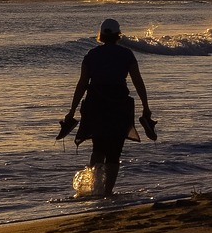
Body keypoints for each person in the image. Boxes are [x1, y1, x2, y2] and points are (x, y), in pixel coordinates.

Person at [59, 18, 155, 197]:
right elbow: (137, 81)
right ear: (119, 35)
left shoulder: (91, 55)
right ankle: (107, 192)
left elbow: (82, 84)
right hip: (119, 107)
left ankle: (95, 189)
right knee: (114, 151)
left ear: (101, 36)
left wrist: (71, 111)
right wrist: (146, 107)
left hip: (96, 107)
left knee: (98, 147)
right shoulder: (127, 54)